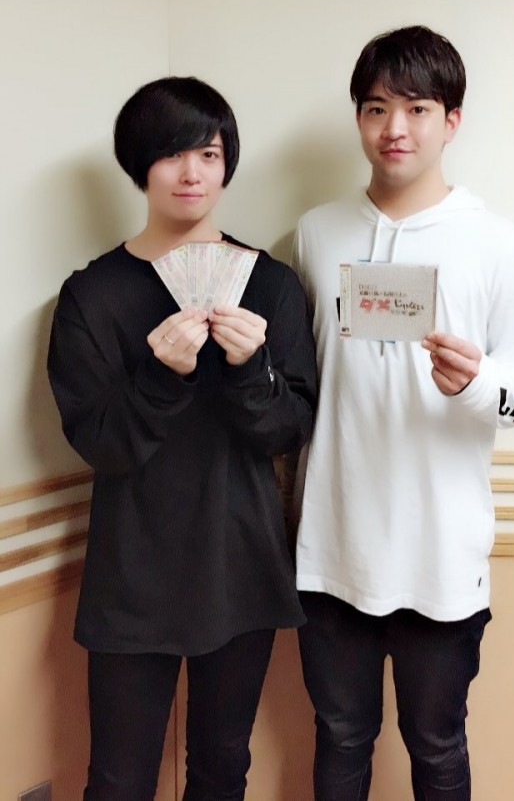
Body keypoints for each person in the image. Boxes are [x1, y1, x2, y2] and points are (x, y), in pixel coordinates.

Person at [290, 26, 514, 801]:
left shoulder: (499, 243)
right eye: (376, 108)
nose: (395, 128)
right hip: (330, 547)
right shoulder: (316, 231)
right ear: (359, 118)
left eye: (417, 108)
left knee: (437, 747)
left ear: (452, 120)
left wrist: (475, 382)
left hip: (442, 552)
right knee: (339, 739)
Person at [47, 76, 317, 801]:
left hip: (241, 563)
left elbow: (287, 430)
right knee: (118, 779)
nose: (192, 172)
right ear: (140, 165)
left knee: (223, 769)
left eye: (209, 153)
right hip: (131, 570)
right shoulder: (92, 294)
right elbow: (102, 443)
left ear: (227, 164)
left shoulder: (270, 285)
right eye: (171, 154)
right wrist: (161, 375)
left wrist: (249, 367)